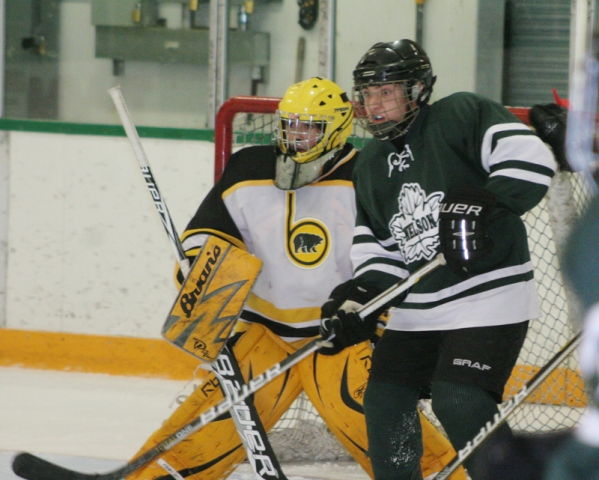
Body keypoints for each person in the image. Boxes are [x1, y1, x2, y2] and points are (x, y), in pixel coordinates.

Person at [124, 77, 461, 480]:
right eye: (289, 124)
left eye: (309, 126)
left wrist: (384, 324)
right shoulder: (249, 167)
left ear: (335, 127)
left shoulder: (369, 174)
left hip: (340, 336)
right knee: (201, 432)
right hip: (266, 337)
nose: (296, 135)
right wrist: (197, 266)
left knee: (397, 442)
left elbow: (397, 257)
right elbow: (211, 234)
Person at [319, 40, 557, 480]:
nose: (375, 107)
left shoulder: (461, 115)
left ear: (418, 90)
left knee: (458, 398)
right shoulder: (370, 164)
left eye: (386, 93)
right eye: (368, 95)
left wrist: (483, 204)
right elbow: (380, 252)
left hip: (489, 294)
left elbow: (531, 158)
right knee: (384, 399)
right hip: (419, 308)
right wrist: (357, 302)